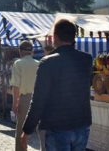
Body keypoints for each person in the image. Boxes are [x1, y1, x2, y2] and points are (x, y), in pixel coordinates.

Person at [21, 19, 92, 151]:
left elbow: (38, 101)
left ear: (55, 37)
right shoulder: (86, 59)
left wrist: (27, 130)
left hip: (57, 126)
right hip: (81, 124)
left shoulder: (47, 63)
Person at [11, 40, 43, 151]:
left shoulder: (18, 63)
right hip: (38, 98)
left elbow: (16, 86)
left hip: (24, 99)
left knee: (21, 129)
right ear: (32, 52)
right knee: (41, 129)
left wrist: (15, 103)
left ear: (20, 52)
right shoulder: (38, 64)